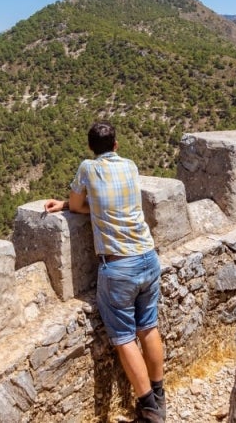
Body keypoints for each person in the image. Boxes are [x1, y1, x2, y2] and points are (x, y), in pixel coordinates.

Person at [45, 121, 165, 422]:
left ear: (90, 148)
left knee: (124, 337)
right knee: (148, 327)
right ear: (116, 145)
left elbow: (74, 204)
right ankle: (160, 393)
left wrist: (74, 206)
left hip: (119, 267)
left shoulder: (88, 167)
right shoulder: (130, 166)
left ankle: (149, 409)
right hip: (149, 258)